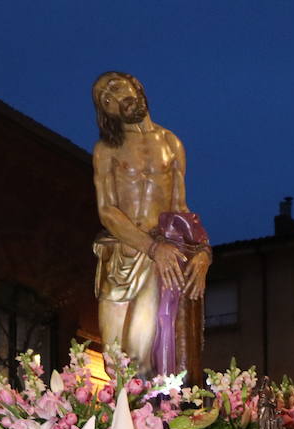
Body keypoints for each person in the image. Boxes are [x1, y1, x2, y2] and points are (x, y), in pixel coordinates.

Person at [91, 71, 210, 375]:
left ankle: (149, 421)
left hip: (157, 262)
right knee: (114, 360)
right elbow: (107, 211)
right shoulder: (106, 150)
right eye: (106, 99)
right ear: (106, 113)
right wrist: (152, 246)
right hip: (121, 254)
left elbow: (180, 209)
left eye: (117, 87)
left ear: (137, 85)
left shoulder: (172, 144)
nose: (116, 98)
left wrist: (204, 252)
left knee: (141, 357)